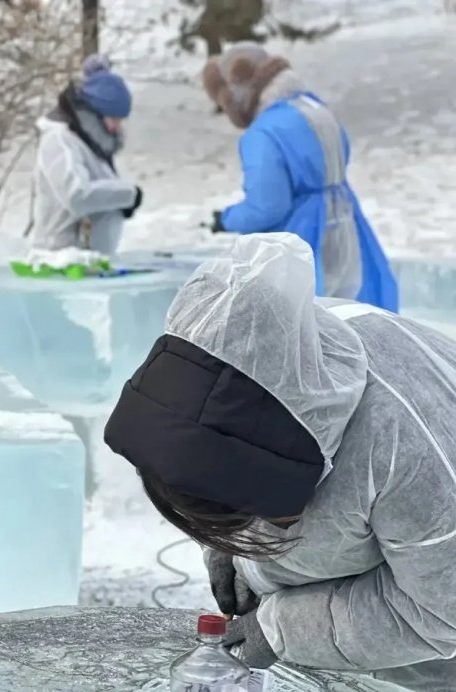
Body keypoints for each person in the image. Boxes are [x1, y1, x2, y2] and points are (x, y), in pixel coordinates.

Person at [104, 232, 456, 691]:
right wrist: (226, 546)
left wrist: (284, 629)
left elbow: (440, 612)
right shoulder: (265, 360)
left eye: (254, 518)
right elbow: (215, 440)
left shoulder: (404, 444)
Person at [202, 43, 398, 312]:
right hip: (347, 226)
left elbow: (268, 206)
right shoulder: (315, 107)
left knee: (307, 326)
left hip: (304, 238)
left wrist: (226, 219)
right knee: (349, 315)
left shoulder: (263, 134)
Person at [29, 55, 142, 257]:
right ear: (92, 113)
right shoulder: (59, 140)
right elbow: (77, 195)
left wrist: (119, 203)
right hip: (58, 258)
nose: (117, 126)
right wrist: (128, 195)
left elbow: (102, 189)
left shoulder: (90, 143)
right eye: (113, 118)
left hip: (87, 260)